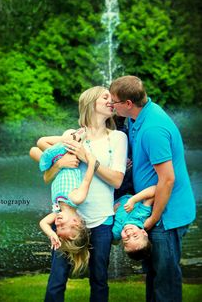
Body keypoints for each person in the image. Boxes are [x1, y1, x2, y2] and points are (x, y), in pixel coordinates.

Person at [34, 86, 128, 302]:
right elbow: (44, 160)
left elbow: (117, 179)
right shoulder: (75, 136)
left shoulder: (117, 138)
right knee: (57, 279)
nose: (111, 101)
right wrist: (59, 163)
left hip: (101, 220)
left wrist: (87, 158)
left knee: (99, 279)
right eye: (105, 97)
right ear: (90, 103)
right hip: (69, 222)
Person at [109, 75, 196, 302]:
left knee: (165, 278)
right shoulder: (139, 117)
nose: (111, 105)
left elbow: (167, 180)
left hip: (166, 214)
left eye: (114, 102)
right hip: (152, 208)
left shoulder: (153, 128)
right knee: (154, 273)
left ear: (128, 104)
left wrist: (151, 220)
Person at [30, 129, 97, 274]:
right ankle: (79, 133)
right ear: (76, 223)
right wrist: (92, 163)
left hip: (57, 163)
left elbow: (43, 223)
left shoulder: (57, 210)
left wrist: (52, 235)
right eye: (62, 227)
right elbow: (87, 180)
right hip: (70, 157)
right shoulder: (76, 199)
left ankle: (74, 135)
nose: (57, 224)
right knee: (44, 141)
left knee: (34, 150)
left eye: (57, 228)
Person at [112, 185, 156, 260]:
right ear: (143, 232)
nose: (129, 234)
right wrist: (133, 200)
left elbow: (113, 241)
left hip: (113, 195)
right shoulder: (141, 216)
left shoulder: (116, 232)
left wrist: (111, 213)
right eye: (135, 236)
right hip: (129, 188)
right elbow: (155, 189)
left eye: (126, 240)